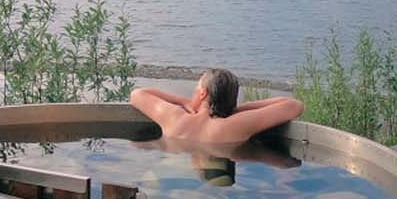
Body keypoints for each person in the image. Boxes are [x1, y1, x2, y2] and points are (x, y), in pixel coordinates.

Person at [129, 68, 303, 143]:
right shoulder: (236, 124)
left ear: (203, 93)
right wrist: (241, 108)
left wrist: (185, 102)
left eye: (196, 89)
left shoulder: (175, 117)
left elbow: (137, 94)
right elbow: (294, 106)